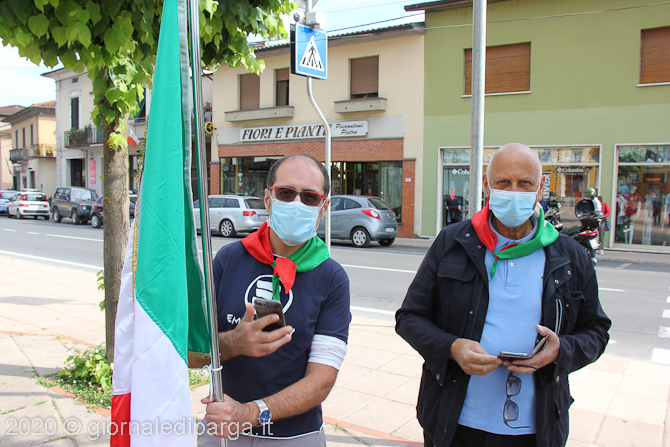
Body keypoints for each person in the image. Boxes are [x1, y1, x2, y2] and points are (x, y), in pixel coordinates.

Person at [396, 143, 611, 447]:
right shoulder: (452, 242)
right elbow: (409, 318)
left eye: (525, 183)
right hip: (454, 424)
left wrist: (561, 350)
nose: (514, 192)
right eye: (503, 182)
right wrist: (452, 348)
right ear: (487, 186)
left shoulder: (569, 255)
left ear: (540, 188)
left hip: (536, 431)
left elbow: (597, 331)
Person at [200, 153, 351, 445]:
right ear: (268, 199)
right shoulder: (228, 259)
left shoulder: (332, 278)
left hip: (295, 436)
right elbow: (192, 352)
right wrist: (232, 343)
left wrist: (250, 413)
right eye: (286, 193)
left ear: (324, 208)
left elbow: (322, 379)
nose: (297, 203)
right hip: (222, 431)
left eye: (310, 197)